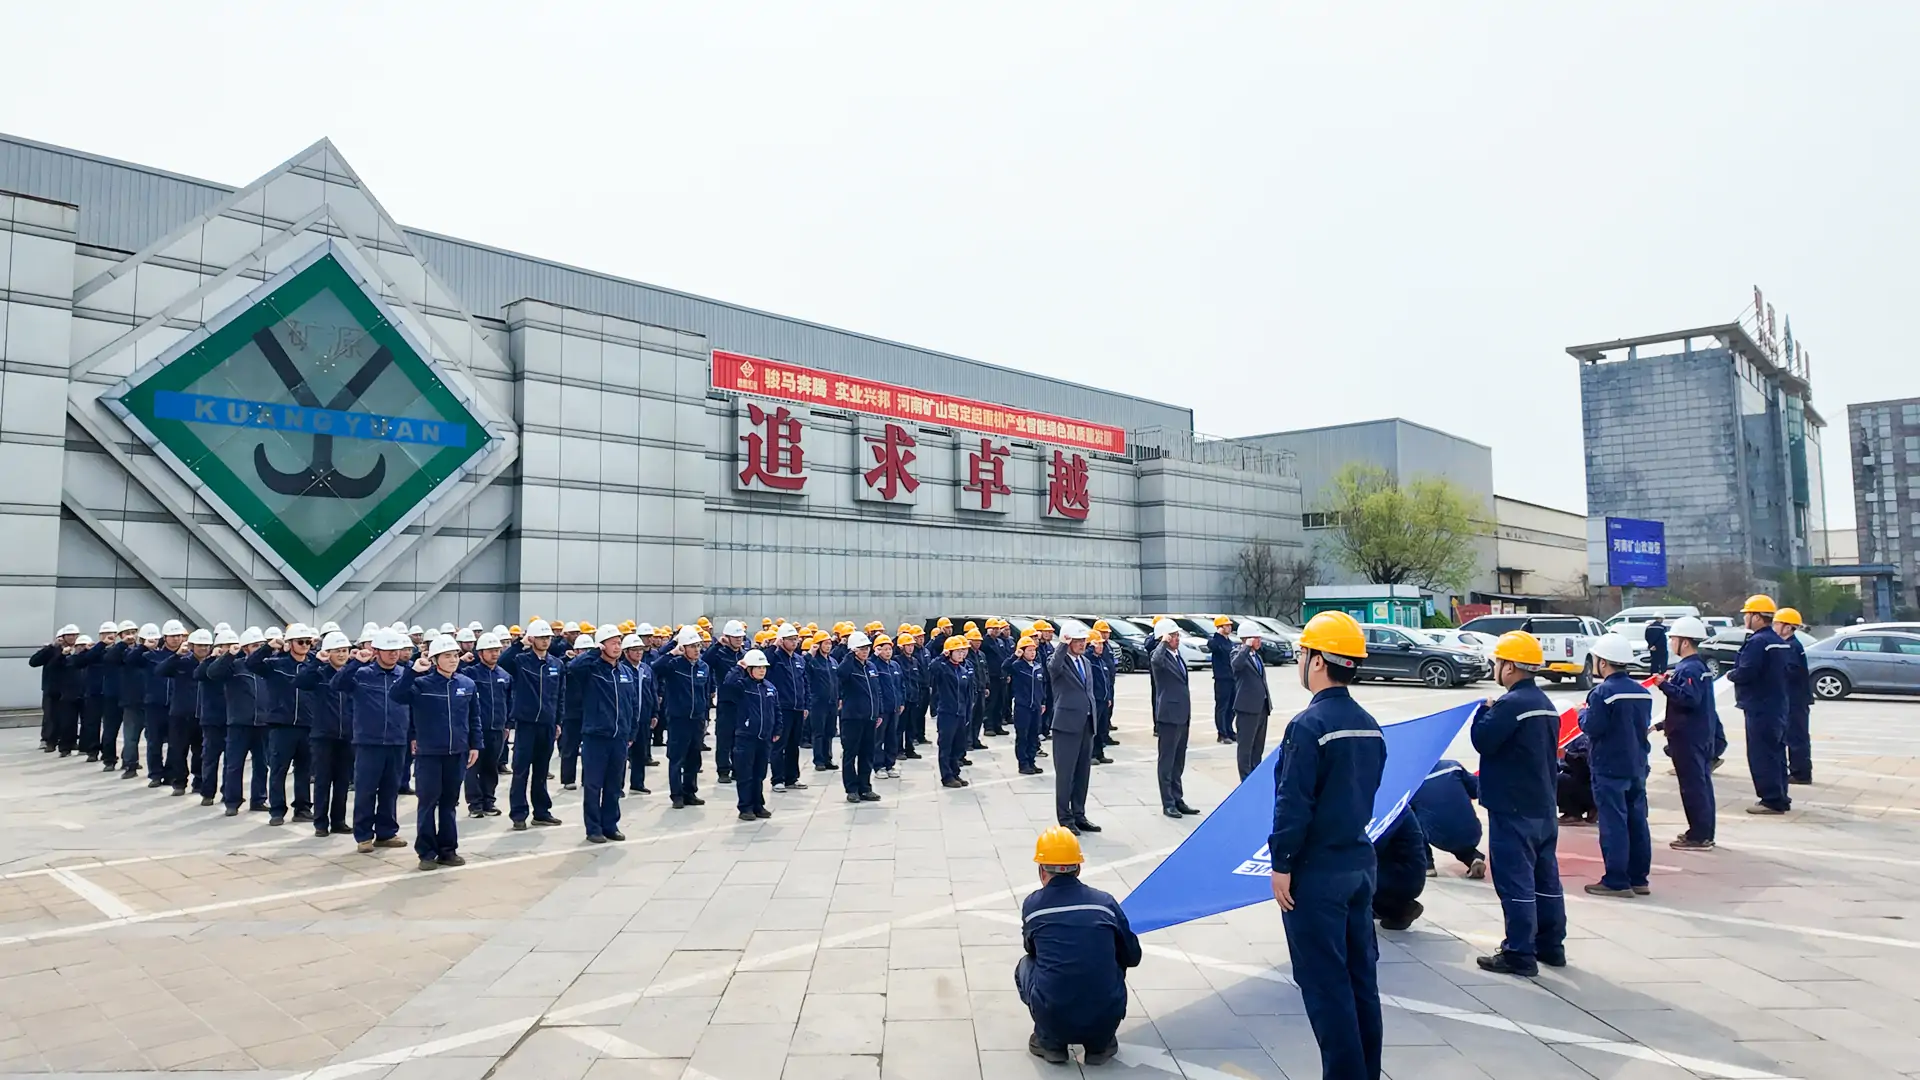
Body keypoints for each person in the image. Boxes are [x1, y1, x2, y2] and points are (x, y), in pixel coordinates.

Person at [1268, 611, 1385, 1080]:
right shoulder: (1369, 724)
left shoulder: (1308, 726)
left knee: (1326, 986)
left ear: (1318, 661)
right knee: (1361, 981)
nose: (1301, 661)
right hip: (1358, 863)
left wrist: (1282, 863)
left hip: (1317, 873)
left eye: (1303, 653)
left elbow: (1293, 803)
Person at [1470, 630, 1566, 977]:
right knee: (1546, 880)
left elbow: (1483, 740)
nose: (1496, 668)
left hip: (1512, 807)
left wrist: (1482, 711)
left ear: (1509, 667)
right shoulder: (1546, 704)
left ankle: (1519, 953)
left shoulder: (1511, 705)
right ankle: (1551, 946)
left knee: (1516, 881)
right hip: (1543, 805)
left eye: (1498, 662)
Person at [1016, 826, 1141, 1066]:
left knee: (1026, 964)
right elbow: (1132, 956)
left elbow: (1032, 950)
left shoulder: (1033, 906)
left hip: (1054, 1013)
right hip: (1106, 1013)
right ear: (1079, 868)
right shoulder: (1104, 903)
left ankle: (1050, 1042)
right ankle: (1100, 1043)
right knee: (1113, 958)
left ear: (1041, 870)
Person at [391, 636, 482, 869]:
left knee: (450, 803)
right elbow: (397, 695)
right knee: (428, 802)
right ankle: (426, 853)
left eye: (455, 655)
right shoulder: (421, 684)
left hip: (457, 752)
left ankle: (448, 851)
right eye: (447, 656)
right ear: (434, 659)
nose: (453, 660)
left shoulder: (467, 684)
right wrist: (412, 672)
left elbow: (474, 717)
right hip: (429, 754)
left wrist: (475, 745)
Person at [1578, 634, 1653, 898]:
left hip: (1609, 766)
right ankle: (1639, 878)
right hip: (1636, 764)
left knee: (1614, 823)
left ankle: (1617, 880)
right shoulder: (1642, 692)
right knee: (1637, 821)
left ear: (1603, 662)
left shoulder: (1602, 693)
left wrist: (1581, 713)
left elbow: (1592, 726)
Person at [337, 628, 415, 854]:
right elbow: (338, 684)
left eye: (396, 650)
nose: (394, 654)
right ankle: (363, 836)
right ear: (376, 651)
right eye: (388, 650)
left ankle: (386, 832)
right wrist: (354, 663)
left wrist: (413, 735)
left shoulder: (405, 674)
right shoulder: (362, 674)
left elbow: (414, 706)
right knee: (366, 789)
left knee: (390, 789)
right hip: (369, 742)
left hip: (397, 740)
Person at [1653, 616, 1717, 850]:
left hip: (1688, 738)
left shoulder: (1689, 668)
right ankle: (1703, 831)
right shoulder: (1699, 667)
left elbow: (1689, 699)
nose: (1671, 643)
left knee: (1693, 787)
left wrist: (1663, 685)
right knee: (1701, 785)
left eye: (1674, 639)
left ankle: (1698, 836)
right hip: (1700, 733)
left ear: (1685, 642)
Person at [1725, 594, 1793, 814]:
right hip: (1777, 704)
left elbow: (1747, 672)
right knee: (1776, 753)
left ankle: (1771, 800)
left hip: (1760, 706)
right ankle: (1781, 796)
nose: (1745, 618)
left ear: (1756, 617)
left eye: (1747, 614)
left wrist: (1731, 675)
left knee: (1761, 754)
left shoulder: (1758, 642)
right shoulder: (1778, 642)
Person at [571, 625, 637, 842]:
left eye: (619, 643)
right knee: (593, 785)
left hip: (620, 737)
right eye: (612, 643)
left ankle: (610, 824)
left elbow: (632, 703)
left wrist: (631, 731)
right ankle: (593, 828)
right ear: (601, 646)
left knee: (614, 784)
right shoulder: (591, 670)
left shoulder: (625, 671)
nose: (617, 647)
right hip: (596, 736)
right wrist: (593, 652)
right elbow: (573, 667)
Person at [250, 625, 318, 826]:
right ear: (290, 643)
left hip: (307, 724)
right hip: (282, 725)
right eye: (300, 641)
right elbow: (251, 663)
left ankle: (302, 809)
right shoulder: (276, 664)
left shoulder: (313, 664)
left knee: (304, 770)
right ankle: (277, 810)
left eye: (308, 642)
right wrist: (268, 647)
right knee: (278, 769)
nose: (305, 645)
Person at [501, 620, 565, 830]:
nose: (545, 641)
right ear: (532, 639)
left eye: (548, 638)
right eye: (541, 637)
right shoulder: (521, 660)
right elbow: (503, 663)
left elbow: (560, 695)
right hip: (526, 724)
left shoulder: (556, 664)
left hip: (547, 724)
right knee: (521, 770)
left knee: (541, 770)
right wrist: (519, 644)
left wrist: (558, 721)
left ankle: (541, 812)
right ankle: (518, 814)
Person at [654, 626, 715, 810]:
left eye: (698, 646)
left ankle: (690, 792)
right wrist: (672, 651)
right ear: (683, 647)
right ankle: (677, 795)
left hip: (697, 719)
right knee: (677, 758)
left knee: (694, 758)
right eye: (692, 646)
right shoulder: (674, 665)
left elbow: (705, 693)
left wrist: (704, 716)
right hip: (678, 719)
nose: (696, 649)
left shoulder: (703, 667)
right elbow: (655, 667)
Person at [1048, 625, 1099, 834]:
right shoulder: (1059, 661)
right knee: (1065, 774)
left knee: (1082, 773)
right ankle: (1065, 817)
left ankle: (1079, 814)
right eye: (1077, 641)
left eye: (1083, 640)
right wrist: (1062, 645)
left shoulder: (1085, 662)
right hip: (1066, 725)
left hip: (1086, 722)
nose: (1081, 644)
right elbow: (1053, 666)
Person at [305, 631, 356, 838]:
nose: (342, 655)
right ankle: (320, 822)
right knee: (323, 780)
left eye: (344, 650)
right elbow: (300, 681)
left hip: (347, 735)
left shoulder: (352, 673)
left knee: (343, 781)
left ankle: (338, 821)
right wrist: (316, 662)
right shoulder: (319, 674)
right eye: (337, 651)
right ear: (328, 652)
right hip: (323, 735)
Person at [461, 633, 513, 817]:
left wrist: (507, 724)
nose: (495, 654)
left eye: (497, 650)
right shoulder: (470, 674)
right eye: (490, 651)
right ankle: (475, 804)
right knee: (473, 767)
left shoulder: (505, 676)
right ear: (480, 653)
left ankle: (488, 802)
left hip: (497, 728)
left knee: (491, 767)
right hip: (476, 729)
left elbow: (509, 701)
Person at [726, 648, 780, 820]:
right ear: (749, 669)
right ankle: (745, 807)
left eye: (763, 667)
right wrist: (738, 667)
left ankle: (758, 805)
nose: (762, 670)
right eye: (758, 667)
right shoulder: (742, 686)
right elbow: (728, 684)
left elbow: (776, 709)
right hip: (746, 737)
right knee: (745, 775)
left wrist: (777, 729)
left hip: (764, 738)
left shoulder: (769, 687)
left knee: (759, 774)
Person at [1149, 620, 1195, 820]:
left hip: (1182, 714)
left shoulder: (1177, 656)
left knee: (1178, 760)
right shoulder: (1160, 656)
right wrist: (1162, 642)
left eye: (1177, 635)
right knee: (1167, 761)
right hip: (1168, 715)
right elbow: (1155, 659)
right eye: (1173, 636)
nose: (1177, 639)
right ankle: (1167, 802)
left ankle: (1178, 798)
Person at [1410, 760, 1484, 878]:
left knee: (1409, 816)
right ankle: (1473, 858)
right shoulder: (1453, 766)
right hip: (1472, 830)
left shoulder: (1411, 782)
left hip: (1439, 836)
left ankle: (1426, 864)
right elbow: (1476, 790)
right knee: (1453, 827)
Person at [836, 631, 882, 803]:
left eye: (867, 648)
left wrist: (878, 712)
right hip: (852, 718)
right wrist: (849, 655)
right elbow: (840, 673)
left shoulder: (871, 667)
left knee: (867, 754)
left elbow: (877, 691)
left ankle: (865, 787)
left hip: (870, 718)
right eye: (861, 648)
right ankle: (852, 789)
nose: (865, 651)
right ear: (854, 650)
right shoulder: (848, 667)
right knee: (850, 754)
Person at [1775, 607, 1813, 785]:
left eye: (1777, 624)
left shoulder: (1791, 647)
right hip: (1795, 697)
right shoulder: (1791, 645)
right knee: (1796, 735)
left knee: (1796, 736)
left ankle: (1800, 773)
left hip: (1795, 699)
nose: (1774, 627)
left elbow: (1788, 671)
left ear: (1788, 627)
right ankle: (1799, 771)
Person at [1371, 812, 1427, 931]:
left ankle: (1397, 909)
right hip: (1401, 872)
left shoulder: (1390, 809)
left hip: (1401, 878)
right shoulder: (1389, 803)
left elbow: (1370, 845)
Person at [932, 634, 975, 788]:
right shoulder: (943, 668)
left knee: (958, 745)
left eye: (962, 651)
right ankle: (947, 776)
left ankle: (955, 772)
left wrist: (967, 713)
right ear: (949, 652)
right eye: (957, 651)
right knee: (946, 746)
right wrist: (941, 657)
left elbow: (967, 694)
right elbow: (932, 668)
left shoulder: (963, 670)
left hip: (961, 713)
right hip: (947, 713)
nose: (961, 654)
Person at [1230, 626, 1272, 780]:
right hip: (1247, 708)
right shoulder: (1238, 653)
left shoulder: (1256, 656)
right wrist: (1246, 647)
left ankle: (1255, 775)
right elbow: (1236, 665)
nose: (1259, 641)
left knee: (1258, 747)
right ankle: (1245, 779)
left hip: (1262, 707)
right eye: (1256, 638)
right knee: (1246, 747)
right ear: (1248, 639)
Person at [707, 622, 745, 784]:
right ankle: (723, 770)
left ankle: (738, 768)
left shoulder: (745, 655)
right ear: (727, 637)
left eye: (740, 637)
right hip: (726, 702)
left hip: (742, 702)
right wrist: (717, 645)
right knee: (724, 738)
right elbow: (705, 661)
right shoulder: (719, 654)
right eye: (735, 637)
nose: (738, 640)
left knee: (740, 738)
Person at [1009, 635, 1046, 776]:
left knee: (1033, 735)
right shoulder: (1018, 666)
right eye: (1029, 650)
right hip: (1023, 707)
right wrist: (1015, 656)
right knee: (1022, 736)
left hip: (1036, 706)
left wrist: (1042, 701)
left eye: (1034, 650)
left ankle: (1031, 761)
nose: (1032, 653)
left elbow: (1041, 686)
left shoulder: (1037, 666)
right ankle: (1023, 763)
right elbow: (1005, 667)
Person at [803, 631, 838, 779]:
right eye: (825, 644)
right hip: (818, 702)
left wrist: (839, 697)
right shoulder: (812, 661)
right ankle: (818, 760)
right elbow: (803, 669)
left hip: (832, 702)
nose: (828, 646)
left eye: (830, 643)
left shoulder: (833, 661)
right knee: (819, 732)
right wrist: (810, 654)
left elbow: (837, 681)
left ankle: (827, 758)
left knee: (830, 731)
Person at [1207, 616, 1237, 744]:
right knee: (1222, 707)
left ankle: (1229, 730)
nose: (1229, 627)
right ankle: (1222, 733)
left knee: (1232, 707)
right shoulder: (1215, 641)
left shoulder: (1229, 642)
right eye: (1226, 625)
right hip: (1222, 679)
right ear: (1220, 627)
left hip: (1232, 678)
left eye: (1230, 625)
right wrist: (1217, 634)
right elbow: (1212, 646)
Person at [1556, 735, 1596, 825]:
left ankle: (1574, 812)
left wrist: (1567, 756)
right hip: (1571, 777)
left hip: (1585, 782)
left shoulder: (1580, 739)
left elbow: (1585, 764)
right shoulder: (1562, 740)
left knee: (1559, 780)